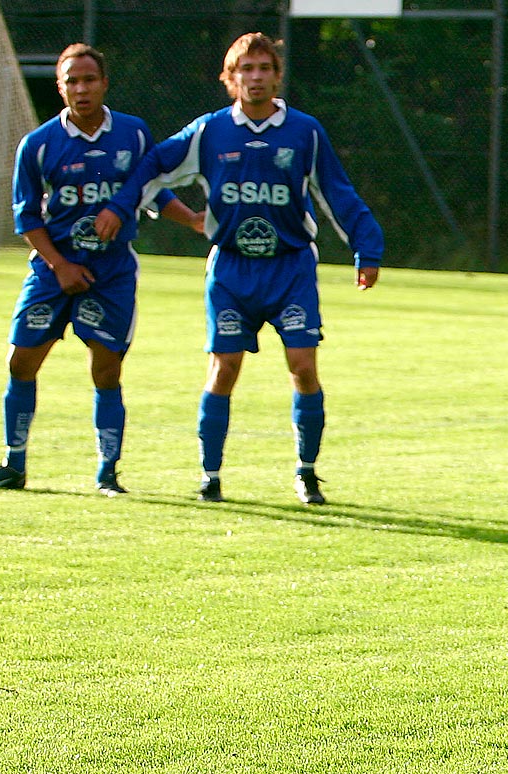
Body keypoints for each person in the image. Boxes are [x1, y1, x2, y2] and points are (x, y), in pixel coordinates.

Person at [95, 32, 383, 505]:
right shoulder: (209, 132)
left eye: (264, 68)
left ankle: (307, 472)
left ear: (276, 76)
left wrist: (367, 250)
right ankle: (211, 476)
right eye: (245, 70)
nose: (256, 78)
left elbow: (338, 193)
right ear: (230, 79)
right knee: (224, 368)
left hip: (290, 269)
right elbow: (153, 166)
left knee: (303, 366)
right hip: (230, 270)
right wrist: (121, 206)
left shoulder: (304, 132)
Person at [0, 43, 202, 496]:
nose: (81, 88)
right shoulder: (37, 145)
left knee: (106, 369)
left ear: (104, 83)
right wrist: (59, 266)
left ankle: (107, 473)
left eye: (89, 79)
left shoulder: (133, 135)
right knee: (21, 361)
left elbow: (149, 192)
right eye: (71, 81)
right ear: (60, 88)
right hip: (52, 270)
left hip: (110, 272)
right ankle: (12, 464)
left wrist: (191, 218)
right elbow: (27, 218)